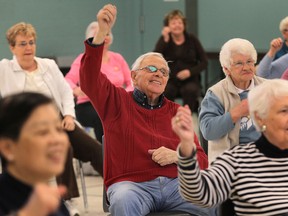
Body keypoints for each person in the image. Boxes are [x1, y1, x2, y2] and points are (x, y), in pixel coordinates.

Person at [79, 4, 216, 216]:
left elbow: (202, 161)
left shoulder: (176, 111)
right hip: (132, 186)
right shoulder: (116, 101)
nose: (158, 74)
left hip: (176, 185)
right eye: (151, 69)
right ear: (133, 76)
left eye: (163, 72)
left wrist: (178, 156)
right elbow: (89, 79)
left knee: (216, 201)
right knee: (124, 201)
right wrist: (102, 33)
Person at [0, 22, 103, 212]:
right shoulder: (4, 69)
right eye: (22, 44)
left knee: (96, 150)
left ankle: (116, 189)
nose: (28, 47)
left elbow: (65, 92)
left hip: (60, 121)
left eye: (31, 42)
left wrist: (70, 116)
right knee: (62, 147)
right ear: (12, 47)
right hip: (27, 129)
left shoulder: (48, 65)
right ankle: (67, 201)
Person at [174, 79, 288, 216]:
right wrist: (187, 145)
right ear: (259, 118)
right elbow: (197, 193)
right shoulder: (237, 160)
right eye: (284, 111)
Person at [0, 92, 69, 216]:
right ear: (8, 148)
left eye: (59, 129)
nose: (57, 140)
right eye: (42, 132)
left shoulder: (52, 201)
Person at [199, 38, 266, 163]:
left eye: (250, 61)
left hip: (266, 155)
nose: (246, 67)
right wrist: (236, 113)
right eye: (239, 63)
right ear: (226, 69)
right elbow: (208, 131)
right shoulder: (216, 93)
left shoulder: (268, 88)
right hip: (232, 161)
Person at [65, 21, 133, 143]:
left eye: (106, 34)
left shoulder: (118, 58)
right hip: (89, 105)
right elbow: (67, 80)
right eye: (99, 35)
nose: (104, 38)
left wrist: (123, 94)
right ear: (91, 39)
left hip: (115, 102)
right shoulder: (83, 58)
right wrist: (76, 90)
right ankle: (105, 153)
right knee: (103, 116)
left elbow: (131, 82)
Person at [154, 9, 208, 113]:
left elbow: (204, 62)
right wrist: (165, 39)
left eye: (180, 22)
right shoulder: (164, 39)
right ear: (168, 26)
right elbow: (155, 57)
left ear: (184, 25)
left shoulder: (192, 39)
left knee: (190, 91)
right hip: (170, 79)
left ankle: (187, 117)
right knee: (165, 90)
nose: (177, 25)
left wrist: (190, 72)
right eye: (173, 23)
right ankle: (168, 118)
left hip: (190, 79)